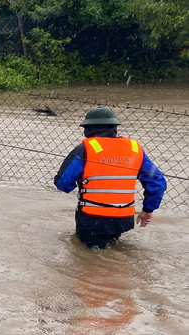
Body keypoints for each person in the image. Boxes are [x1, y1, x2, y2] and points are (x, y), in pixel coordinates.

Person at [54, 106, 166, 249]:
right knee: (112, 252)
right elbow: (158, 182)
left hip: (92, 219)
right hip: (124, 219)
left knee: (88, 259)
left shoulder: (86, 149)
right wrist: (148, 210)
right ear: (114, 127)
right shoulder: (134, 148)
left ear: (88, 129)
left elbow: (63, 183)